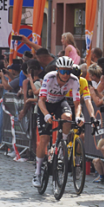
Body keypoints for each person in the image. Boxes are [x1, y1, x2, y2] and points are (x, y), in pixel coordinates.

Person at [33, 56, 84, 187]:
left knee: (68, 117)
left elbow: (77, 104)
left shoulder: (74, 80)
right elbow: (41, 100)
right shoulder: (49, 78)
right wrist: (45, 115)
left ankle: (62, 145)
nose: (66, 75)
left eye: (68, 71)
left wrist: (78, 116)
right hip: (46, 105)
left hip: (60, 102)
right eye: (63, 71)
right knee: (44, 139)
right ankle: (37, 173)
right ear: (57, 70)